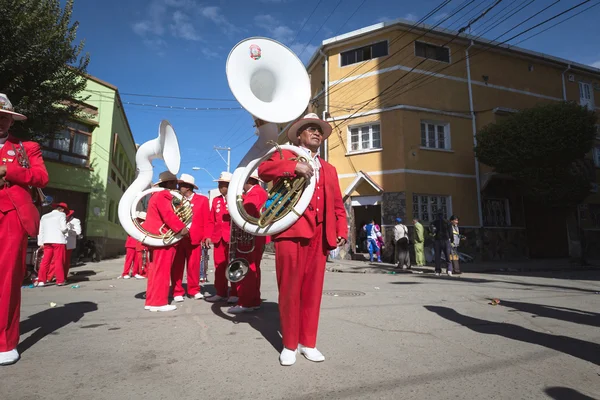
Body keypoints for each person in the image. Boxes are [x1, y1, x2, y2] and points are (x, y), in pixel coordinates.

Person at [258, 113, 347, 366]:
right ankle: (289, 344)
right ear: (299, 134)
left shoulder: (329, 169)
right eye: (311, 129)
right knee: (289, 289)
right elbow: (263, 171)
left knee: (312, 292)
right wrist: (292, 167)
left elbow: (338, 204)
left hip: (320, 234)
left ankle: (308, 342)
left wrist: (341, 228)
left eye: (319, 130)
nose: (316, 133)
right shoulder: (286, 155)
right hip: (290, 230)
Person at [0, 93, 49, 366]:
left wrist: (9, 171)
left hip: (12, 216)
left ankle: (5, 343)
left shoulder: (26, 147)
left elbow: (41, 177)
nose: (1, 121)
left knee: (6, 280)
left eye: (5, 117)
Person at [142, 171, 189, 312]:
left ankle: (151, 301)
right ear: (169, 183)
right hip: (162, 237)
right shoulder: (163, 195)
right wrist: (181, 228)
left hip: (155, 236)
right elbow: (167, 215)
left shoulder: (155, 195)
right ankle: (159, 302)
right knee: (162, 271)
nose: (177, 186)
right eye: (174, 183)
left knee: (155, 270)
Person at [228, 172, 268, 314]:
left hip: (250, 237)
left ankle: (246, 302)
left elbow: (248, 212)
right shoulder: (257, 192)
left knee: (248, 268)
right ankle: (254, 300)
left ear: (249, 180)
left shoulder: (255, 193)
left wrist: (235, 209)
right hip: (253, 235)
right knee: (253, 268)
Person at [172, 174, 210, 301]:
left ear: (188, 187)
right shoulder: (176, 200)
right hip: (178, 238)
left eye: (181, 185)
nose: (179, 187)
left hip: (195, 238)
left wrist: (206, 236)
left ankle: (194, 290)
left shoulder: (203, 200)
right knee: (177, 266)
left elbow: (207, 220)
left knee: (194, 266)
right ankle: (177, 291)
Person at [204, 171, 238, 304]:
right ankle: (220, 292)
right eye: (219, 184)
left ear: (230, 185)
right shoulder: (216, 200)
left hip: (232, 238)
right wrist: (208, 235)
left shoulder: (237, 198)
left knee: (233, 265)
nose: (220, 186)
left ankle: (235, 292)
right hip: (218, 238)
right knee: (219, 266)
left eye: (223, 184)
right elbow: (211, 220)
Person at [36, 203, 69, 286]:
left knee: (45, 261)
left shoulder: (44, 216)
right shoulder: (62, 215)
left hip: (47, 241)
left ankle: (41, 280)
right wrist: (67, 230)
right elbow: (63, 228)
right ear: (62, 210)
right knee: (58, 261)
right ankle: (60, 280)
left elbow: (40, 231)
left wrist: (40, 242)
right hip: (58, 240)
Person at [120, 212, 146, 279]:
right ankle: (125, 273)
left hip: (138, 244)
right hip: (130, 244)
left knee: (136, 260)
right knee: (129, 260)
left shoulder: (142, 225)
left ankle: (135, 273)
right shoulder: (132, 224)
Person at [64, 209, 81, 278]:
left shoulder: (75, 221)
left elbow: (78, 232)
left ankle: (64, 275)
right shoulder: (61, 220)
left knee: (66, 260)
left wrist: (69, 230)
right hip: (61, 241)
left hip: (69, 243)